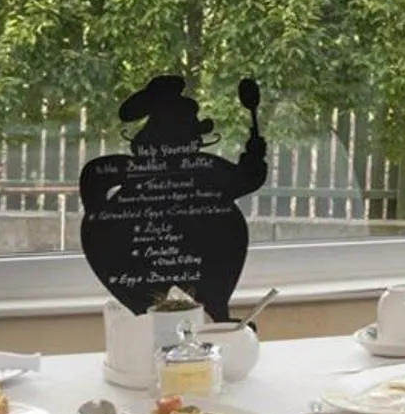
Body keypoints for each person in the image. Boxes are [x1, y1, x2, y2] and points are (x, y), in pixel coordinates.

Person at [79, 76, 267, 321]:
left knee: (210, 300)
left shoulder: (196, 168)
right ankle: (187, 320)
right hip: (164, 264)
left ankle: (213, 317)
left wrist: (253, 155)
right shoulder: (201, 169)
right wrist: (253, 159)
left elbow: (246, 179)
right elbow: (245, 179)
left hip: (201, 263)